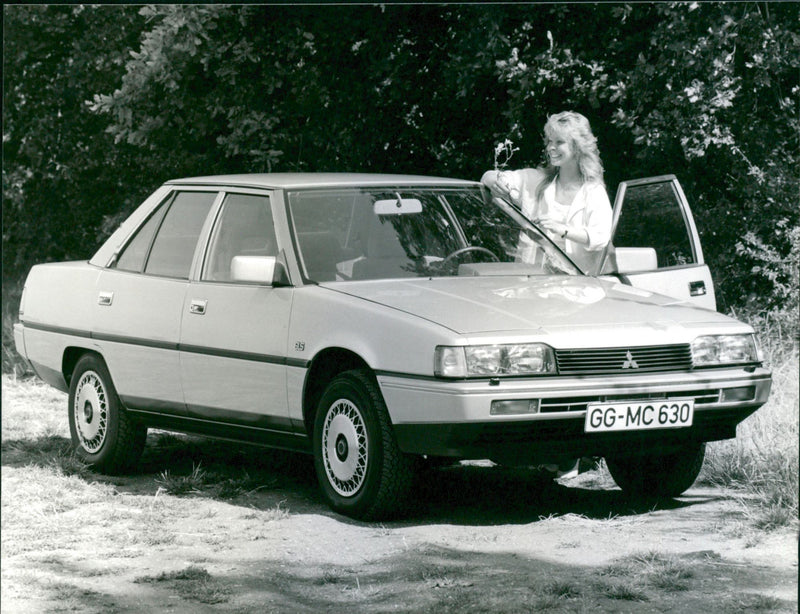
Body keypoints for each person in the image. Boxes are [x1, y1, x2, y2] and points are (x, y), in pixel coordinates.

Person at [482, 111, 613, 273]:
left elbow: (600, 238)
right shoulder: (535, 180)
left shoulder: (594, 192)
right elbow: (489, 177)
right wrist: (494, 181)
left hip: (575, 286)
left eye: (559, 142)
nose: (551, 147)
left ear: (577, 147)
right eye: (550, 141)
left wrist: (563, 230)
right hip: (530, 281)